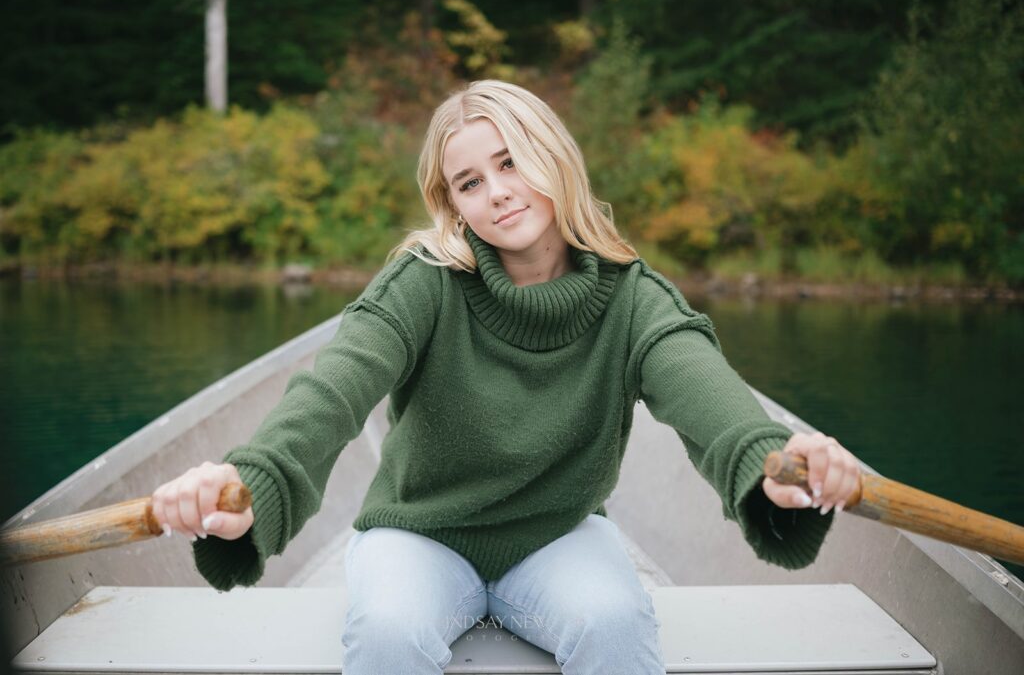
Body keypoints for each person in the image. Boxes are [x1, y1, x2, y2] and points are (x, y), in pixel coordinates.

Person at [151, 79, 862, 674]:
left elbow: (710, 399)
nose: (497, 191)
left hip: (556, 531)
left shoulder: (635, 298)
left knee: (616, 624)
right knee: (389, 632)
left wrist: (775, 463)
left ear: (554, 158)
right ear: (452, 203)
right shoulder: (422, 283)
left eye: (511, 162)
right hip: (419, 531)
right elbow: (331, 391)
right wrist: (257, 480)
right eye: (470, 181)